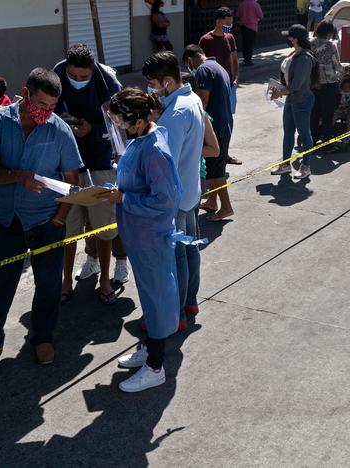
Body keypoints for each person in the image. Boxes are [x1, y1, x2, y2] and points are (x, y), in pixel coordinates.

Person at [0, 68, 82, 366]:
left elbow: (72, 180)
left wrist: (59, 219)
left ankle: (42, 339)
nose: (46, 113)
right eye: (41, 105)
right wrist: (18, 177)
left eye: (52, 108)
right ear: (25, 94)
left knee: (49, 286)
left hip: (47, 222)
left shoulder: (60, 130)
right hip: (7, 219)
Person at [96, 88, 182, 392]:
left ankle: (156, 366)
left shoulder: (154, 149)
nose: (121, 127)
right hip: (139, 233)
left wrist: (123, 197)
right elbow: (137, 181)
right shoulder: (141, 140)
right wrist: (118, 190)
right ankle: (149, 347)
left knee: (157, 297)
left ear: (141, 118)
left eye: (124, 122)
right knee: (149, 295)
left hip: (151, 234)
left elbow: (166, 200)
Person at [142, 52, 216, 328]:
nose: (151, 89)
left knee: (178, 255)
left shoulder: (174, 113)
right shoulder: (192, 99)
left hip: (174, 195)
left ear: (169, 81)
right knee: (189, 248)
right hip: (189, 190)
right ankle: (190, 301)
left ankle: (178, 311)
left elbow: (164, 161)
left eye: (153, 83)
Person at [53, 43, 124, 305]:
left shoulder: (107, 81)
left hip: (100, 163)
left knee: (104, 227)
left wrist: (92, 131)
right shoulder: (57, 74)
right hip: (68, 166)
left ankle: (105, 279)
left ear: (92, 70)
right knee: (69, 228)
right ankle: (66, 280)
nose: (79, 81)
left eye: (84, 77)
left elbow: (119, 124)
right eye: (74, 77)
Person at [183, 45, 235, 221]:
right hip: (224, 124)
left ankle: (226, 207)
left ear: (190, 60)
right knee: (213, 168)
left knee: (217, 170)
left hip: (216, 127)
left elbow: (202, 100)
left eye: (188, 65)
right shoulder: (217, 66)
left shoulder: (203, 70)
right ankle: (212, 201)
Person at [270, 25, 315, 180]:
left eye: (290, 37)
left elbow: (296, 86)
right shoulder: (295, 54)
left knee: (304, 134)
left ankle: (306, 166)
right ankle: (285, 164)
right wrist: (279, 89)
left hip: (302, 100)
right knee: (288, 132)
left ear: (296, 39)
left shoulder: (304, 58)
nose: (288, 39)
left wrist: (279, 92)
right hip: (291, 99)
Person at [199, 7, 242, 165]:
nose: (229, 25)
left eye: (231, 22)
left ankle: (225, 153)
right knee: (212, 120)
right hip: (213, 88)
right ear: (218, 21)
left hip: (229, 86)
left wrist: (236, 77)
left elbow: (234, 59)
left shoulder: (230, 38)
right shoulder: (206, 40)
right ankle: (211, 150)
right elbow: (200, 62)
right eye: (226, 22)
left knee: (228, 120)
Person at [310, 20, 343, 144]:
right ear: (329, 32)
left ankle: (312, 139)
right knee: (327, 114)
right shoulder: (330, 45)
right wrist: (344, 71)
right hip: (329, 84)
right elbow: (336, 64)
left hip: (313, 83)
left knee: (314, 113)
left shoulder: (310, 43)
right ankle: (327, 142)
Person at [237, 0, 264, 66]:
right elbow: (261, 16)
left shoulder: (241, 3)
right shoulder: (255, 4)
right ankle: (248, 61)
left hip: (243, 26)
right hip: (252, 27)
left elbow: (238, 15)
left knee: (245, 43)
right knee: (250, 44)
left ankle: (245, 59)